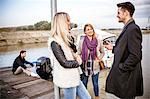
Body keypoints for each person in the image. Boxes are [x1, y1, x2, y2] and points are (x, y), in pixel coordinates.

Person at [48, 12, 91, 99]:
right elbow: (64, 63)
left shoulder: (65, 38)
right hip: (67, 79)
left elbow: (74, 51)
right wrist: (78, 62)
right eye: (68, 20)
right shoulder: (54, 41)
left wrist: (70, 38)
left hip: (74, 76)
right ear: (62, 23)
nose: (69, 23)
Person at [105, 2, 143, 99]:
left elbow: (135, 56)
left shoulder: (133, 29)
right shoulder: (128, 27)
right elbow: (126, 48)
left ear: (126, 13)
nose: (117, 15)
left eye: (118, 12)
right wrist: (113, 48)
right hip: (123, 76)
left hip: (126, 78)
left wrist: (121, 67)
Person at [77, 24, 105, 99]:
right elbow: (78, 53)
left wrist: (99, 59)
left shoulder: (98, 41)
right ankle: (84, 97)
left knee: (95, 84)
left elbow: (103, 52)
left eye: (91, 29)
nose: (90, 31)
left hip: (95, 66)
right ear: (85, 32)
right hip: (85, 66)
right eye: (88, 29)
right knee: (84, 83)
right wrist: (80, 58)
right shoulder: (81, 42)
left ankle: (97, 97)